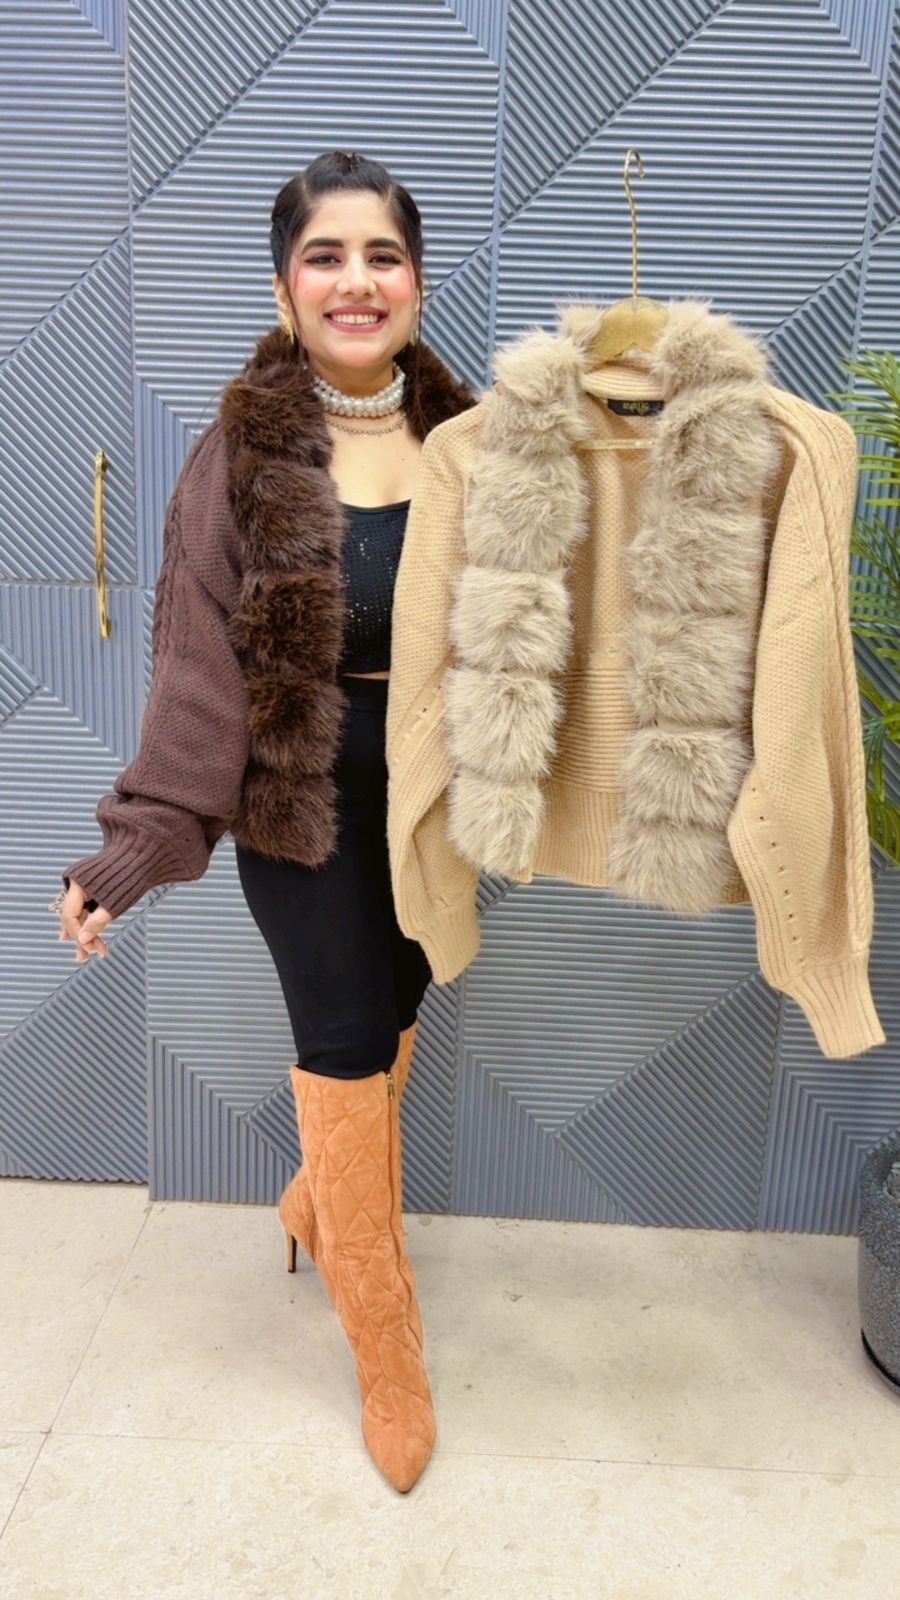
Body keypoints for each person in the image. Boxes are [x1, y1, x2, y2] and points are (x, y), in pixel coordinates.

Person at [51, 150, 475, 1493]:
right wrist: (128, 852)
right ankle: (386, 1347)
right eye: (325, 256)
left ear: (416, 279)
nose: (358, 281)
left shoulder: (475, 441)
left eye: (383, 255)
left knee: (397, 1015)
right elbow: (195, 681)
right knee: (344, 1044)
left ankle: (312, 1205)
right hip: (303, 807)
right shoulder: (236, 458)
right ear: (285, 286)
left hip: (434, 807)